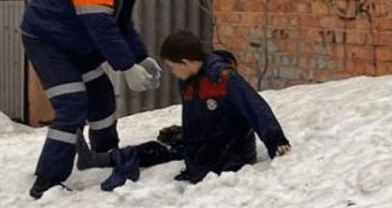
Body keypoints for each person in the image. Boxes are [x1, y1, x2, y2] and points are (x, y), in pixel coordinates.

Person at [20, 0, 163, 199]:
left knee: (101, 95)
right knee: (72, 104)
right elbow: (99, 24)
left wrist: (140, 57)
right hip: (48, 41)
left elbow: (121, 24)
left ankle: (103, 155)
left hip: (75, 42)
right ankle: (46, 182)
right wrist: (126, 66)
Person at [101, 33, 291, 191]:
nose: (173, 72)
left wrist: (277, 141)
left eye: (172, 67)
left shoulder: (223, 78)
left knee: (178, 153)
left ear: (185, 62)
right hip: (203, 145)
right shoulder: (187, 81)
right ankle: (106, 159)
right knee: (162, 147)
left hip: (231, 154)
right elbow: (193, 117)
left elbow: (256, 108)